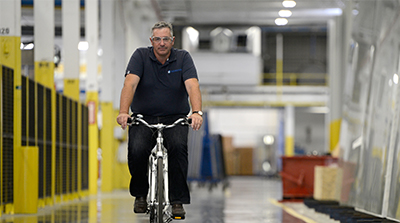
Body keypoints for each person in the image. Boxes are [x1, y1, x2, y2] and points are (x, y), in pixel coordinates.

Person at [116, 21, 203, 219]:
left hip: (175, 117)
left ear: (172, 41)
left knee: (178, 149)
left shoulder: (183, 58)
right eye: (157, 39)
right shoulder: (140, 56)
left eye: (166, 39)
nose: (161, 43)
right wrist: (123, 111)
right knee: (137, 149)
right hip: (143, 117)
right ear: (151, 41)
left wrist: (196, 112)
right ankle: (140, 195)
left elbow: (192, 86)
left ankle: (177, 201)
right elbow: (129, 85)